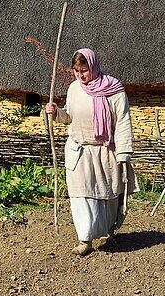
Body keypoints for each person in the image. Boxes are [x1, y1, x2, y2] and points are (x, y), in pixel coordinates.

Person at [45, 48, 137, 257]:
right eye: (77, 71)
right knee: (81, 195)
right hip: (80, 150)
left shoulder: (114, 90)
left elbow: (122, 121)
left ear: (93, 67)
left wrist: (123, 154)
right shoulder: (74, 89)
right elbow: (69, 117)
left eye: (84, 71)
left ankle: (107, 230)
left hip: (106, 150)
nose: (81, 76)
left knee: (108, 195)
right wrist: (56, 113)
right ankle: (84, 239)